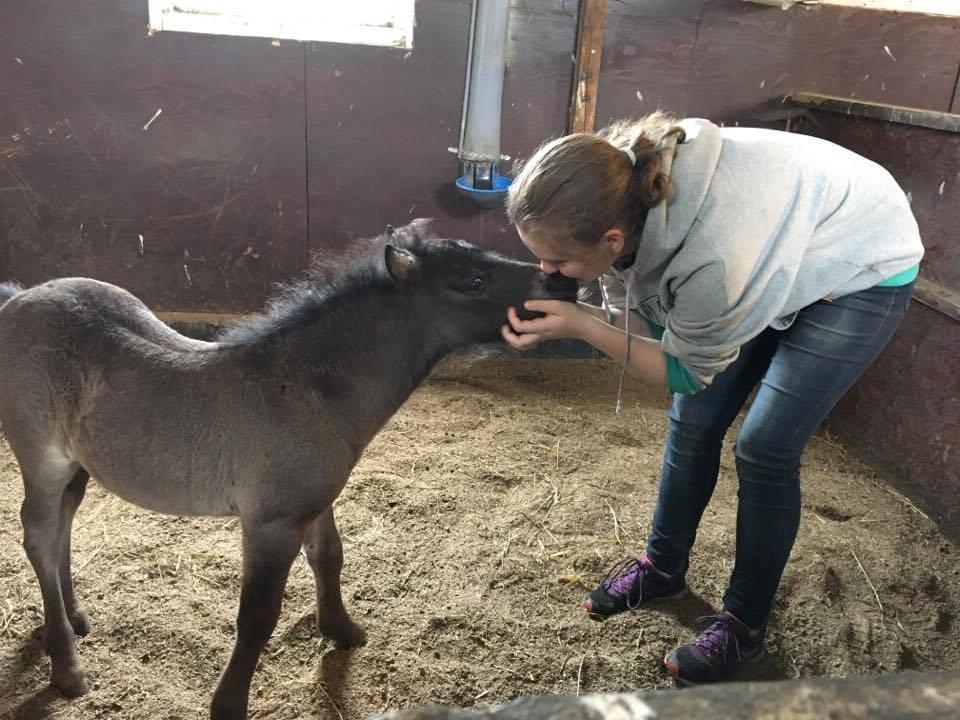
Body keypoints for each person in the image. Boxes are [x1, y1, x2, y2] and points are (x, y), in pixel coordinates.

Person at [500, 112, 923, 685]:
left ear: (612, 241)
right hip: (775, 241)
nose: (547, 271)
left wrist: (584, 325)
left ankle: (744, 627)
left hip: (857, 264)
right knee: (694, 423)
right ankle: (663, 567)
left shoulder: (713, 259)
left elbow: (684, 368)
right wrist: (592, 314)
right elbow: (646, 322)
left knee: (764, 447)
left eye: (558, 262)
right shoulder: (616, 190)